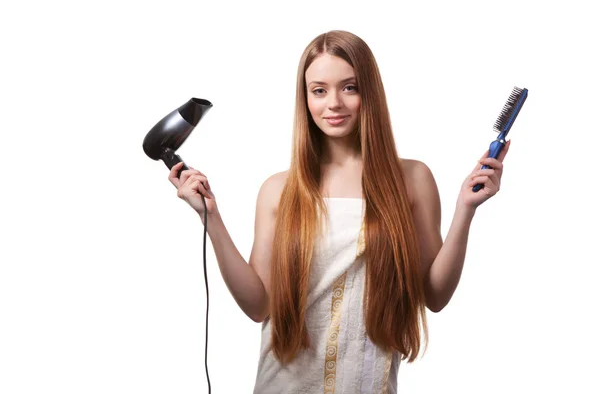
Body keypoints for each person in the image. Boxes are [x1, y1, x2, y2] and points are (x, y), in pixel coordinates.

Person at [168, 30, 510, 394]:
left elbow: (435, 296)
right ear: (306, 99)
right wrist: (212, 218)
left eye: (349, 87)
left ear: (370, 94)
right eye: (319, 90)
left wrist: (465, 211)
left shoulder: (412, 179)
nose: (333, 103)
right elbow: (258, 305)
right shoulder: (278, 190)